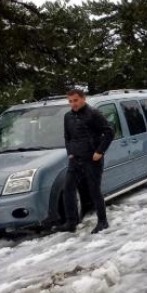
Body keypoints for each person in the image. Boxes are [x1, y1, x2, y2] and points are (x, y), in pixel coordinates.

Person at [55, 89, 114, 234]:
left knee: (94, 190)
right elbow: (67, 136)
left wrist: (99, 152)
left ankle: (102, 222)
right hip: (75, 159)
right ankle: (71, 222)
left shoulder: (93, 114)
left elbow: (109, 132)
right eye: (70, 101)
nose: (73, 104)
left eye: (75, 100)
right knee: (68, 189)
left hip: (92, 159)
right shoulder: (67, 116)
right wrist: (70, 153)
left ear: (83, 99)